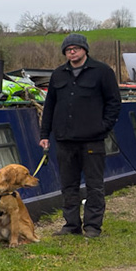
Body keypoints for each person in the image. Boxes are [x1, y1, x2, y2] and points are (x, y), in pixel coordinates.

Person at [37, 33, 121, 237]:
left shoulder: (102, 72)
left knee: (94, 185)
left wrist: (103, 127)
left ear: (85, 50)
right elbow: (49, 106)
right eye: (67, 50)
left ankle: (92, 226)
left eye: (75, 48)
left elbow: (114, 102)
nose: (71, 52)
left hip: (92, 139)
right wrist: (44, 133)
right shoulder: (58, 74)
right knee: (68, 185)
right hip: (65, 139)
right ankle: (71, 225)